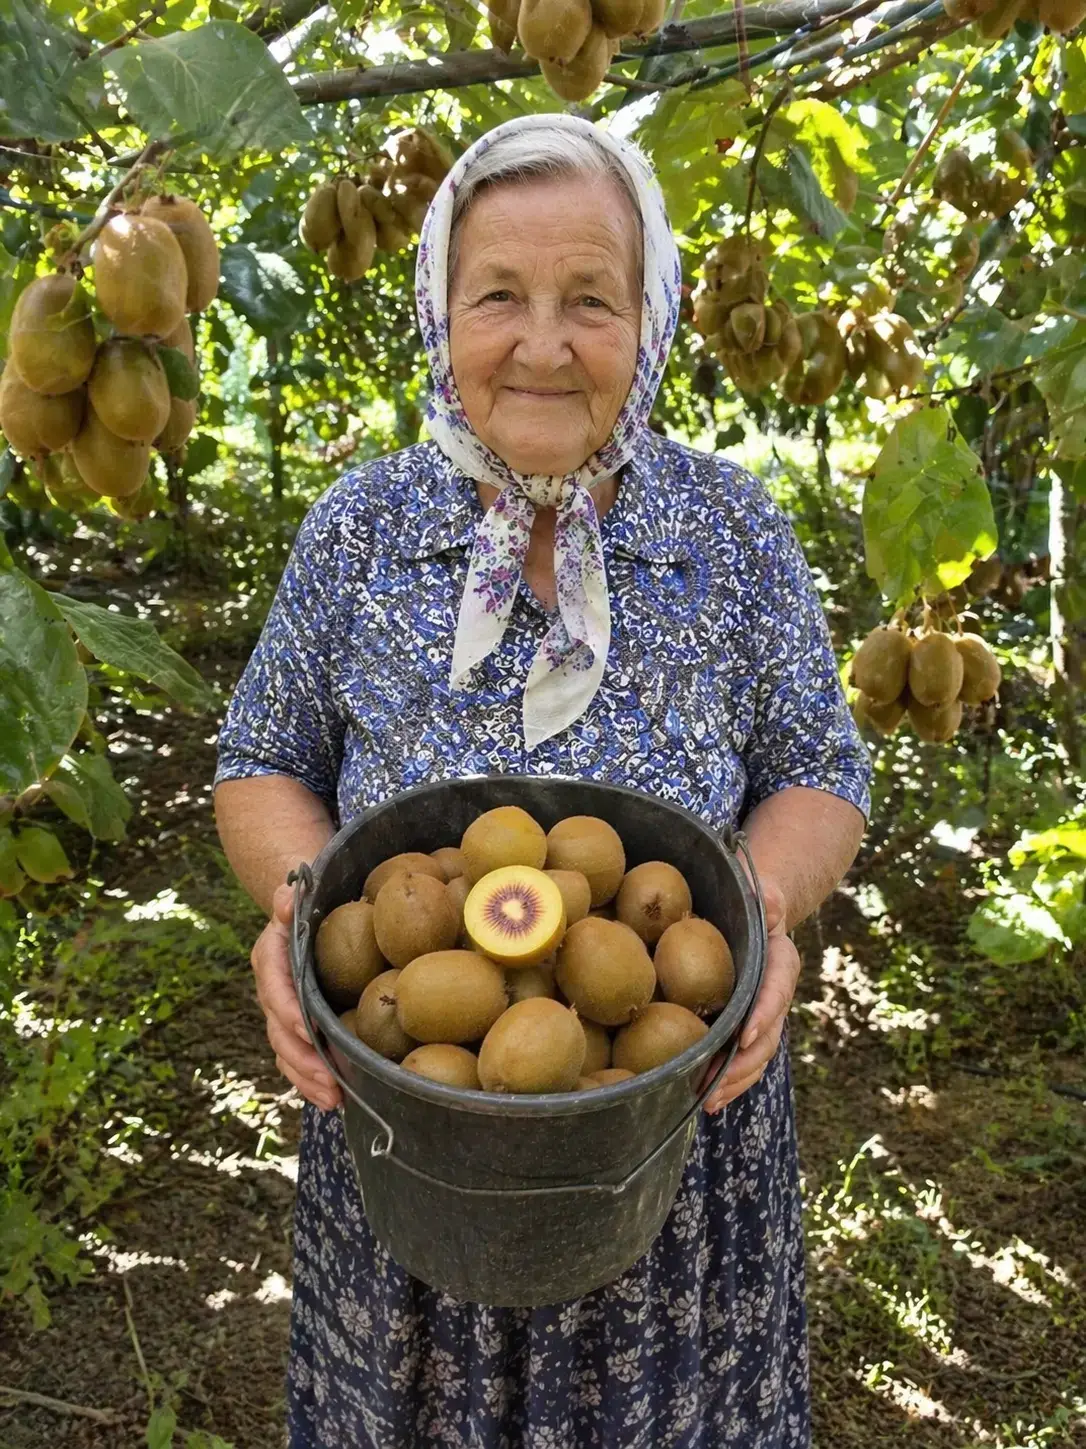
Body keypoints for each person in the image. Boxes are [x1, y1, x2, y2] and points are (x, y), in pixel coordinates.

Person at [214, 113, 871, 1449]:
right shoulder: (360, 529)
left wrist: (762, 914)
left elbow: (817, 769)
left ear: (652, 316)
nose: (542, 344)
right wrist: (299, 906)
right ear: (436, 313)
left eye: (589, 300)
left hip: (667, 1140)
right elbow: (264, 758)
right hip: (412, 1129)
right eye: (496, 295)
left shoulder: (732, 531)